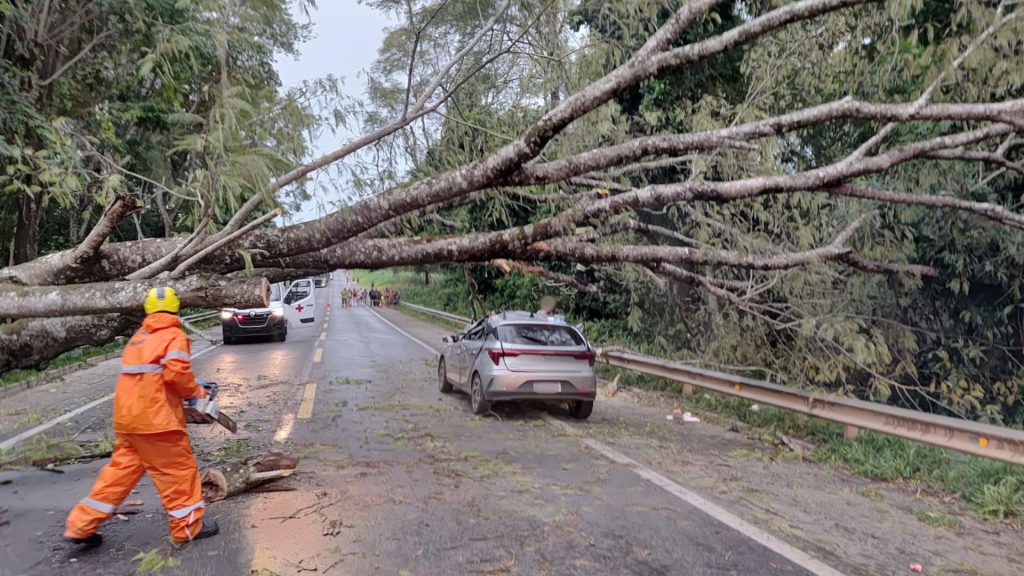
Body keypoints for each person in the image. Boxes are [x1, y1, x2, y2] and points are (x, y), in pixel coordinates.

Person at [64, 287, 219, 547]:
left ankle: (81, 525)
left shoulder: (139, 337)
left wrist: (188, 385)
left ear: (148, 309)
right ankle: (187, 528)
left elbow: (153, 375)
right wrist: (197, 391)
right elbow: (176, 374)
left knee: (118, 474)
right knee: (178, 473)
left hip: (128, 420)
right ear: (176, 309)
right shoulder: (174, 335)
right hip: (157, 423)